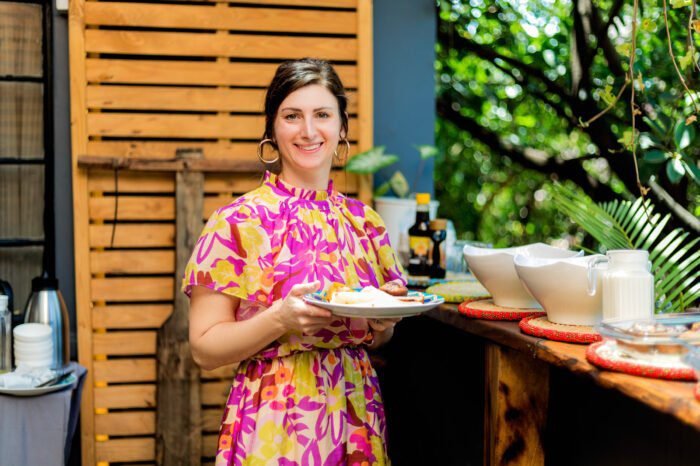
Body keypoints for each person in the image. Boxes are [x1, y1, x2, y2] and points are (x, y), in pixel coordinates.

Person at [183, 58, 406, 465]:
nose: (308, 130)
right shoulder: (236, 222)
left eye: (322, 114)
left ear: (342, 128)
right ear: (271, 129)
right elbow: (204, 349)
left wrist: (383, 323)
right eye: (292, 116)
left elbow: (378, 338)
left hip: (358, 415)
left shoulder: (366, 224)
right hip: (273, 422)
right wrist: (279, 318)